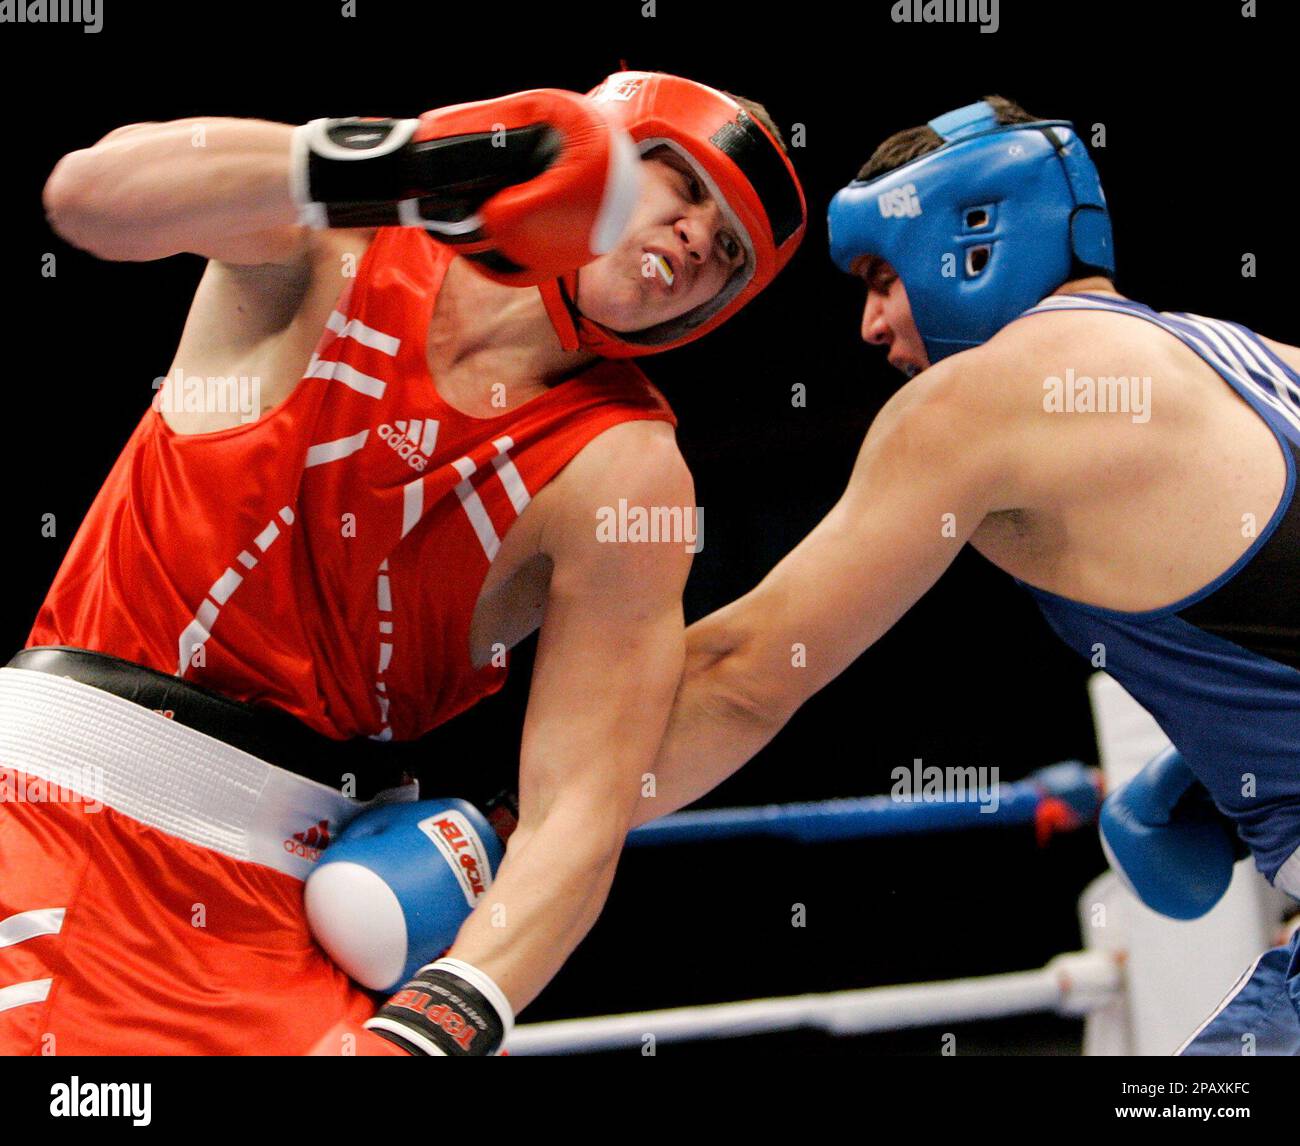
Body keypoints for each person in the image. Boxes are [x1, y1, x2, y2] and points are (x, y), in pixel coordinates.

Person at [0, 70, 804, 1056]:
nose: (693, 239)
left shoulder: (625, 471)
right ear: (593, 148)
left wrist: (447, 1015)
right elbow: (90, 197)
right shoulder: (345, 239)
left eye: (729, 250)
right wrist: (413, 162)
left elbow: (578, 812)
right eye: (682, 184)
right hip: (57, 826)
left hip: (294, 924)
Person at [633, 97, 1300, 1055]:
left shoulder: (978, 401)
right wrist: (1229, 759)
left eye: (878, 279)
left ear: (973, 238)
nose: (868, 326)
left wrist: (512, 823)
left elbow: (736, 675)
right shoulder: (1253, 356)